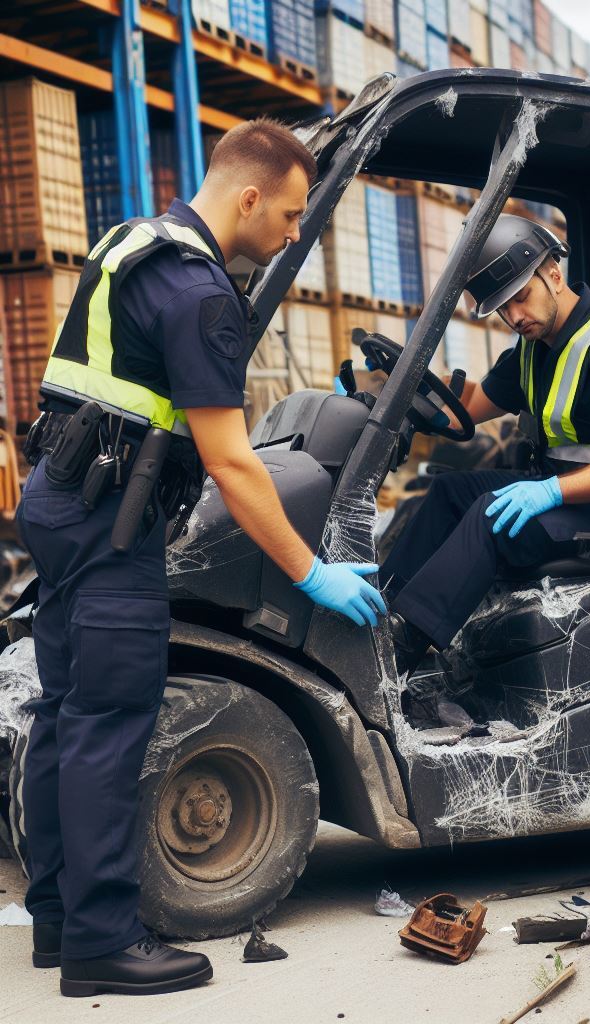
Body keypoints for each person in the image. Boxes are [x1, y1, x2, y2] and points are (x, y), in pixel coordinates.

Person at [16, 118, 385, 998]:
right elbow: (231, 460)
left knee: (66, 712)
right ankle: (103, 943)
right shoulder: (201, 292)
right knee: (111, 720)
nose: (296, 233)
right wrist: (309, 571)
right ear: (249, 197)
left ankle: (60, 919)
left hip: (60, 503)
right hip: (113, 527)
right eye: (293, 215)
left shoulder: (131, 243)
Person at [380, 215, 590, 693]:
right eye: (503, 309)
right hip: (561, 497)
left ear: (553, 273)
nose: (515, 317)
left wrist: (548, 490)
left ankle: (396, 656)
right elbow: (466, 407)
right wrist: (387, 394)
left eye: (519, 298)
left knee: (491, 514)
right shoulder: (534, 349)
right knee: (448, 491)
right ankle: (377, 618)